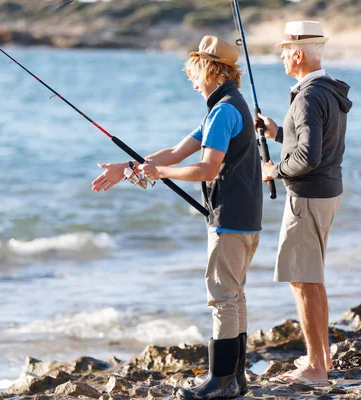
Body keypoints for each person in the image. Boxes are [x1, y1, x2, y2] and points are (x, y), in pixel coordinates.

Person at [92, 35, 262, 400]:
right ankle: (236, 378)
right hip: (245, 218)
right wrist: (127, 167)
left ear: (210, 71)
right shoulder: (230, 107)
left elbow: (205, 168)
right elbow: (173, 151)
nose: (193, 80)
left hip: (229, 219)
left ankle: (221, 381)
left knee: (222, 299)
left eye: (195, 73)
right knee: (235, 296)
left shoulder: (224, 111)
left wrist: (163, 174)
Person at [258, 21, 352, 386]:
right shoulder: (326, 91)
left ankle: (315, 368)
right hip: (326, 193)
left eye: (284, 50)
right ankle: (322, 358)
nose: (282, 56)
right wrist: (276, 133)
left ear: (298, 54)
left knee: (302, 280)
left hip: (309, 196)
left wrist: (273, 170)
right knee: (310, 278)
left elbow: (308, 157)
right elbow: (317, 143)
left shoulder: (309, 95)